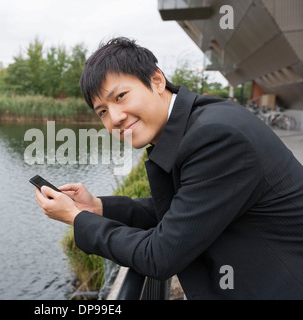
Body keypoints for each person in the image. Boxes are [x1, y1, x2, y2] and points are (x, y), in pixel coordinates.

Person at [33, 37, 303, 299]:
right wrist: (97, 208)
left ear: (157, 81)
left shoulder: (216, 137)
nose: (114, 118)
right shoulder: (196, 123)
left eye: (121, 96)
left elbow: (159, 256)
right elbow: (183, 208)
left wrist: (77, 219)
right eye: (102, 111)